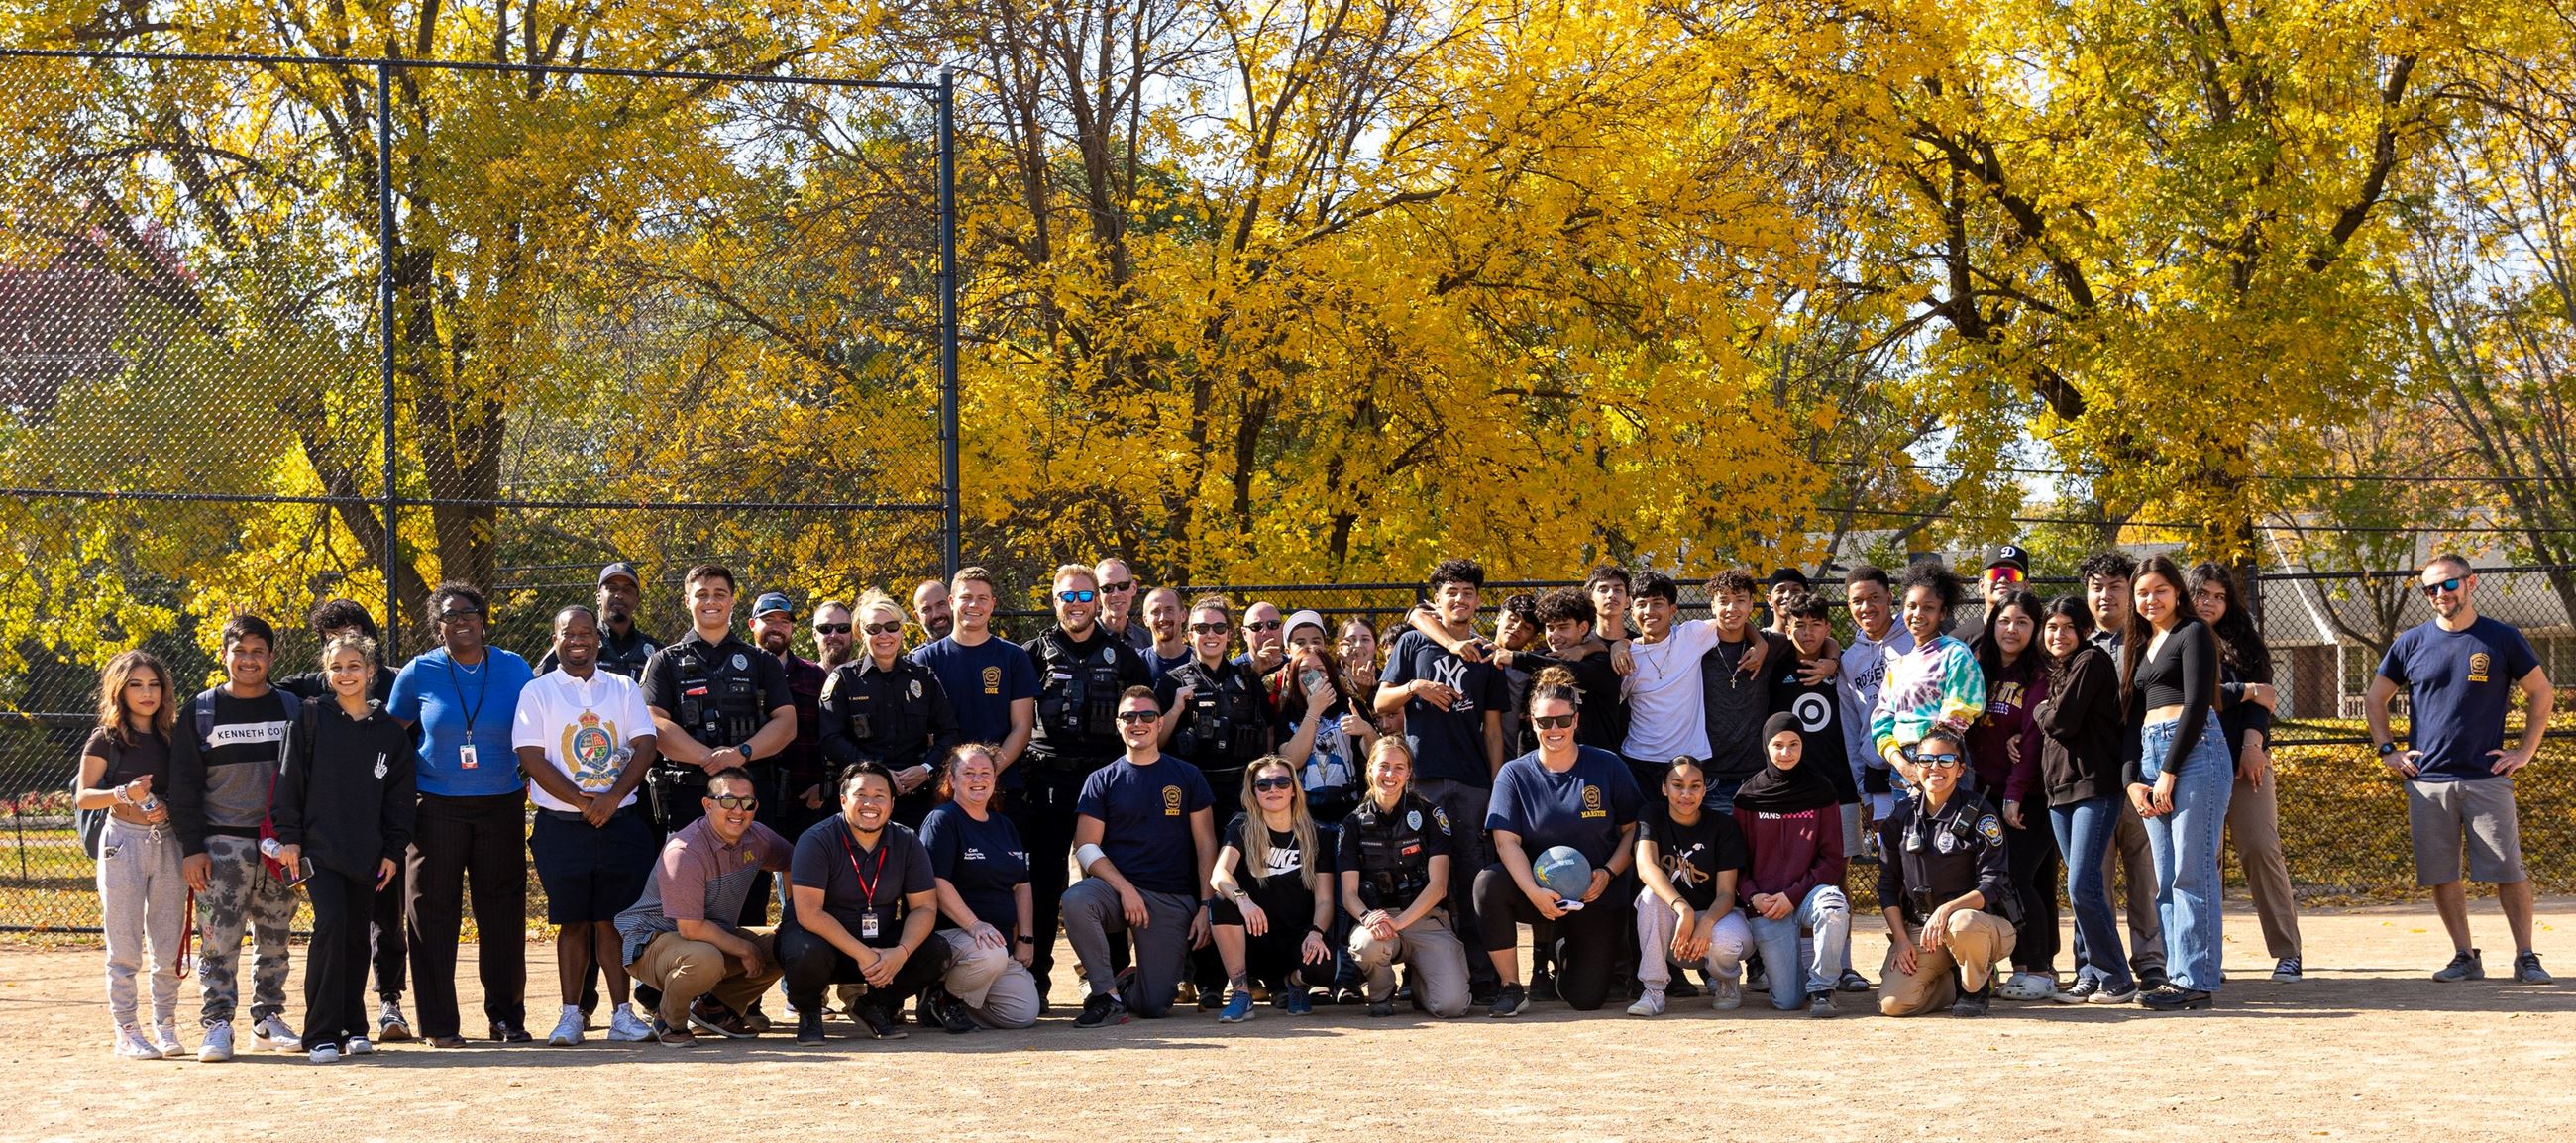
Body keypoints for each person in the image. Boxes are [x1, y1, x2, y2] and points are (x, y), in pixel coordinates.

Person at [2367, 554, 2555, 986]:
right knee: (2442, 873)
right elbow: (2376, 698)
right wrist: (2389, 751)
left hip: (2486, 778)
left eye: (2448, 585)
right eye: (2430, 588)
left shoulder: (2502, 638)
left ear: (2471, 584)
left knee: (2508, 870)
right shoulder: (2410, 643)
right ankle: (2464, 956)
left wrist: (2525, 751)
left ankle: (2526, 956)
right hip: (2427, 781)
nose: (2439, 595)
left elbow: (2541, 693)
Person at [387, 582, 538, 1046]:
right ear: (438, 627)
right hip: (435, 807)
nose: (462, 620)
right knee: (431, 913)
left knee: (503, 913)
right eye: (450, 615)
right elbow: (393, 735)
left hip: (502, 802)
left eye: (469, 612)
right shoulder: (418, 672)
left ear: (484, 618)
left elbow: (539, 728)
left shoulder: (515, 668)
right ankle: (439, 1024)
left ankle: (506, 1018)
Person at [510, 606, 663, 1046]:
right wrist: (581, 801)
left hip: (621, 823)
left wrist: (612, 798)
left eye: (585, 633)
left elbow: (646, 744)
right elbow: (531, 756)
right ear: (554, 640)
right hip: (561, 825)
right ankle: (570, 1016)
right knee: (572, 921)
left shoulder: (622, 686)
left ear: (597, 640)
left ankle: (622, 1015)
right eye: (567, 633)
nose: (577, 639)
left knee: (613, 921)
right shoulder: (537, 692)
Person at [269, 632, 415, 1063]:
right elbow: (287, 784)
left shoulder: (389, 732)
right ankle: (321, 1033)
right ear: (326, 672)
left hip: (368, 853)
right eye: (336, 667)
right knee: (331, 927)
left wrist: (392, 850)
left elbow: (400, 802)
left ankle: (355, 1025)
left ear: (370, 672)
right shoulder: (310, 719)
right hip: (318, 850)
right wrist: (290, 838)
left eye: (354, 666)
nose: (345, 674)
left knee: (356, 936)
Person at [165, 615, 302, 1060]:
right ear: (223, 655)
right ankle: (217, 1022)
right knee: (218, 938)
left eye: (257, 651)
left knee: (276, 934)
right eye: (239, 651)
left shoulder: (291, 709)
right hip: (222, 845)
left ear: (271, 657)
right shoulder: (201, 711)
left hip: (279, 846)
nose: (248, 660)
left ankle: (267, 1018)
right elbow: (182, 788)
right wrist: (192, 849)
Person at [1376, 558, 1512, 1001]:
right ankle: (1420, 977)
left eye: (1468, 593)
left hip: (1472, 782)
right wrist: (1416, 687)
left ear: (1478, 600)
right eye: (1451, 592)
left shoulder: (1488, 655)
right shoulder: (1414, 643)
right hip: (1424, 781)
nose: (1460, 599)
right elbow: (1381, 701)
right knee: (1422, 878)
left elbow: (1493, 729)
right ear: (1437, 599)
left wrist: (1496, 788)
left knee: (1474, 880)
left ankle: (1483, 976)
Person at [1020, 564, 1156, 1001]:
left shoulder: (1125, 656)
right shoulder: (1033, 654)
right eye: (1067, 596)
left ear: (1097, 600)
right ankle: (1037, 979)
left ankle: (1114, 976)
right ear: (1054, 600)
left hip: (1105, 779)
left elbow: (1142, 718)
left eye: (1084, 596)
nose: (1075, 604)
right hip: (1048, 778)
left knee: (1108, 874)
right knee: (1045, 880)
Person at [1474, 670, 1643, 1015]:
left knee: (1587, 999)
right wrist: (1533, 892)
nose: (1554, 729)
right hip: (1535, 892)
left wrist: (1608, 873)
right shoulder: (1514, 774)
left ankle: (1563, 947)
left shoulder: (1607, 765)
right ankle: (1510, 986)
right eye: (1544, 721)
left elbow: (1632, 830)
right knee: (1488, 883)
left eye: (1563, 720)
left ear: (1576, 719)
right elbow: (1506, 843)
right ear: (1531, 722)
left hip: (1594, 893)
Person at [640, 565, 796, 932]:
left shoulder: (761, 662)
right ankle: (691, 981)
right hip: (687, 798)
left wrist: (739, 754)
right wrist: (707, 758)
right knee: (687, 902)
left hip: (750, 798)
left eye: (719, 594)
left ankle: (743, 988)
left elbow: (786, 724)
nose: (711, 602)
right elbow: (654, 722)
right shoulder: (665, 661)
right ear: (687, 601)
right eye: (702, 594)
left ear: (732, 601)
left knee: (749, 902)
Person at [1061, 687, 1219, 1027]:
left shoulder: (1186, 776)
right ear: (1118, 725)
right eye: (1129, 716)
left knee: (1154, 1004)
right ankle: (1106, 995)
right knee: (1075, 900)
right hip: (1117, 894)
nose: (1138, 723)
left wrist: (1206, 906)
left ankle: (1127, 984)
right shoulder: (1101, 780)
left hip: (1170, 897)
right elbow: (1087, 848)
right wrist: (1124, 888)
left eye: (1147, 716)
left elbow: (1207, 845)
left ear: (1160, 723)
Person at [2120, 555, 2231, 1011]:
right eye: (2142, 593)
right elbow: (2130, 718)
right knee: (2164, 878)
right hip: (2150, 754)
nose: (2150, 599)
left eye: (2159, 590)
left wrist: (2168, 771)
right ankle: (2174, 974)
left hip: (2195, 752)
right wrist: (2133, 780)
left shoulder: (2193, 633)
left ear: (2177, 592)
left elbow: (2195, 703)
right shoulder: (2140, 644)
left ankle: (2196, 980)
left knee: (2191, 870)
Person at [613, 767, 794, 1047]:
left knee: (791, 943)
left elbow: (795, 863)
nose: (739, 810)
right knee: (705, 958)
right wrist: (745, 948)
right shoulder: (684, 850)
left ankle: (715, 1009)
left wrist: (792, 915)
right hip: (651, 942)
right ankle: (668, 1019)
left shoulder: (758, 837)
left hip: (707, 937)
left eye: (748, 803)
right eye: (728, 800)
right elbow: (690, 927)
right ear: (708, 805)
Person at [2183, 563, 2303, 983]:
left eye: (2219, 596)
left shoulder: (2245, 643)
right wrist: (2243, 692)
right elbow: (2192, 699)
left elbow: (2263, 701)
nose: (2210, 603)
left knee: (2259, 849)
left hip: (2243, 762)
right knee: (2203, 860)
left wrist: (2253, 745)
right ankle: (2206, 956)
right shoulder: (2175, 638)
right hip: (2192, 764)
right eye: (2202, 594)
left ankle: (2288, 951)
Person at [780, 762, 957, 1042]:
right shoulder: (816, 840)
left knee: (936, 951)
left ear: (891, 803)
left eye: (879, 796)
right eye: (860, 794)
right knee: (804, 949)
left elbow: (924, 907)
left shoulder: (907, 841)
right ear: (843, 800)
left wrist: (900, 952)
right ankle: (809, 1012)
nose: (870, 803)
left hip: (878, 944)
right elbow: (809, 913)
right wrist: (864, 955)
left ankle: (874, 1007)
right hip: (824, 945)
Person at [78, 650, 186, 1059]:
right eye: (136, 685)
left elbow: (188, 790)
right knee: (124, 945)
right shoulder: (106, 738)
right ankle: (127, 1030)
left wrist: (168, 806)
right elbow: (84, 797)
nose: (146, 693)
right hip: (121, 842)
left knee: (167, 943)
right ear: (120, 690)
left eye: (154, 684)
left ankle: (166, 1026)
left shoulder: (173, 737)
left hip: (168, 843)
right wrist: (124, 793)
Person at [2029, 596, 2138, 1003]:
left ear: (2085, 631)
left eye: (2067, 627)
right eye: (2051, 627)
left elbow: (2060, 721)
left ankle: (2118, 978)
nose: (2058, 635)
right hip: (2060, 792)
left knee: (2083, 885)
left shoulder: (2091, 662)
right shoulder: (2060, 671)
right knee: (2081, 887)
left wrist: (2042, 710)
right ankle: (2089, 974)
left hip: (2095, 787)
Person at [1876, 729, 2015, 1016]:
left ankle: (1975, 989)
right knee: (1894, 1004)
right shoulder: (1901, 816)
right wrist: (1901, 940)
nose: (1935, 767)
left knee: (1961, 922)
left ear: (1960, 769)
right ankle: (1953, 981)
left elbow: (1994, 884)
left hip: (1978, 926)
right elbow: (1887, 885)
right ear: (1915, 767)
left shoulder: (1980, 814)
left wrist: (1947, 910)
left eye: (1946, 759)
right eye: (1926, 759)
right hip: (1923, 929)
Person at [2079, 549, 2169, 990]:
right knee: (2091, 876)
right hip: (2092, 781)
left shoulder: (2150, 642)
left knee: (2145, 872)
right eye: (2098, 587)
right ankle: (2096, 966)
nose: (2107, 596)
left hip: (2144, 775)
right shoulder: (2073, 644)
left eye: (2117, 587)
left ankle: (2151, 959)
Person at [1339, 738, 1473, 1018]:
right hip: (1377, 918)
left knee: (1451, 1006)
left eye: (1399, 767)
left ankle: (1423, 987)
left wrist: (1399, 923)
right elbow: (1349, 894)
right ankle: (1381, 993)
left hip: (1424, 916)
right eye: (1384, 766)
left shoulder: (1429, 815)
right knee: (1367, 944)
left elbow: (1437, 886)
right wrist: (1369, 919)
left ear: (1409, 773)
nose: (1391, 775)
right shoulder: (1352, 824)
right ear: (1370, 768)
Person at [1969, 590, 2060, 1002]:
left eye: (2023, 622)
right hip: (1986, 792)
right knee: (2015, 882)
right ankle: (2021, 967)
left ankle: (2038, 968)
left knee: (2021, 879)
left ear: (2035, 629)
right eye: (2006, 620)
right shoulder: (1978, 668)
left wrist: (2014, 794)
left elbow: (2032, 741)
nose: (2012, 629)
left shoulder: (2039, 674)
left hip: (2028, 797)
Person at [1733, 713, 1851, 1016]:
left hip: (1807, 896)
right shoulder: (1748, 796)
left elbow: (1832, 859)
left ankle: (1824, 988)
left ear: (1803, 745)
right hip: (1767, 904)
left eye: (1794, 744)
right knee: (1788, 1001)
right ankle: (1797, 972)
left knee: (1834, 906)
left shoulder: (1821, 791)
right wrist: (1753, 897)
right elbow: (1736, 864)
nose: (1786, 753)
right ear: (1766, 747)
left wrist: (1793, 896)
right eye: (1779, 745)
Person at [919, 744, 1042, 1030]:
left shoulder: (1004, 825)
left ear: (995, 779)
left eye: (985, 772)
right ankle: (945, 999)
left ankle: (944, 1006)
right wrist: (974, 926)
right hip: (953, 936)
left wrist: (1025, 937)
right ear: (951, 780)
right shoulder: (943, 820)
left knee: (1023, 1013)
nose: (978, 779)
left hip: (996, 945)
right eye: (969, 772)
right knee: (990, 955)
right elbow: (936, 882)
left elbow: (1022, 885)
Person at [1209, 756, 1337, 1021]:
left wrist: (1315, 933)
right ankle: (1241, 993)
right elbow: (1219, 874)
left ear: (1293, 789)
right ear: (1254, 792)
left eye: (1281, 782)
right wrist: (1242, 898)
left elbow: (1324, 900)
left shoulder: (1317, 834)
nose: (1273, 790)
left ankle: (1295, 982)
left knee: (1323, 968)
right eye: (1263, 785)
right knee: (1222, 901)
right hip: (1257, 936)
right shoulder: (1242, 827)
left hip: (1297, 938)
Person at [819, 590, 960, 830]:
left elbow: (950, 733)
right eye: (874, 629)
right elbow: (831, 739)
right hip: (863, 799)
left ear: (901, 630)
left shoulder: (923, 678)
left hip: (916, 796)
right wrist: (877, 773)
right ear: (861, 633)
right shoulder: (843, 679)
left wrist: (926, 769)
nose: (883, 635)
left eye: (891, 626)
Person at [1627, 756, 1752, 1016]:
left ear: (1705, 790)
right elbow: (1645, 867)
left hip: (1716, 918)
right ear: (1664, 788)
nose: (1686, 794)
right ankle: (1653, 991)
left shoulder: (1723, 826)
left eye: (1695, 786)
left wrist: (1705, 924)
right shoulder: (1651, 815)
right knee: (1649, 897)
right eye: (1677, 785)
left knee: (1725, 940)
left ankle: (1726, 980)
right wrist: (1682, 908)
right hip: (1676, 927)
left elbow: (1727, 894)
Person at [1870, 561, 1985, 803]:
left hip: (1943, 763)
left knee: (1946, 839)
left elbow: (1961, 708)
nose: (1918, 614)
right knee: (1906, 839)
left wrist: (1929, 761)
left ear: (1943, 613)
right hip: (1901, 769)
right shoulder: (1897, 666)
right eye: (1911, 606)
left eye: (1928, 607)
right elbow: (1881, 720)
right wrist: (1901, 763)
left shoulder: (1955, 653)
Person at [1159, 594, 1277, 819]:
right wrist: (1175, 710)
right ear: (1189, 635)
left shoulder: (1248, 680)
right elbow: (1156, 741)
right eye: (1202, 628)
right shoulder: (1172, 682)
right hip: (1191, 788)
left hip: (1241, 790)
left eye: (1219, 627)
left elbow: (1269, 731)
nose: (1210, 634)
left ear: (1229, 635)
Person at [1617, 571, 1731, 801]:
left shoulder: (1692, 635)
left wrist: (1759, 644)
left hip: (1687, 759)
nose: (1649, 612)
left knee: (1686, 829)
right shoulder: (1625, 656)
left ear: (1673, 610)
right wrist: (1618, 645)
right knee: (1645, 828)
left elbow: (1732, 619)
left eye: (1657, 603)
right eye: (1641, 605)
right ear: (1631, 611)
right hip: (1639, 759)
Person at [752, 591, 830, 896]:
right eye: (768, 620)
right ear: (752, 625)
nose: (777, 627)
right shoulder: (742, 670)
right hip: (754, 795)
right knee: (752, 884)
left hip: (803, 796)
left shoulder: (814, 675)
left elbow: (829, 736)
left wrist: (824, 786)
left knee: (803, 885)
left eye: (784, 621)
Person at [1837, 565, 1914, 832]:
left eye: (1874, 598)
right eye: (1857, 601)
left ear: (1890, 598)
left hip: (1921, 764)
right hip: (1878, 774)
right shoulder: (1849, 660)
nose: (1866, 607)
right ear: (1848, 605)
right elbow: (1851, 729)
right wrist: (1865, 794)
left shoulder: (1917, 640)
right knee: (1890, 862)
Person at [535, 563, 662, 679]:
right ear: (598, 598)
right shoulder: (573, 645)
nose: (619, 595)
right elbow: (539, 680)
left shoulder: (654, 651)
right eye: (612, 589)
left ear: (637, 601)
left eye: (627, 590)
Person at [1096, 557, 1153, 654]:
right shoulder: (1082, 638)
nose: (1116, 594)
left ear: (1134, 588)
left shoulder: (1148, 643)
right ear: (1096, 594)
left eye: (1123, 586)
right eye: (1107, 588)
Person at [1140, 587, 1193, 678]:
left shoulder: (1201, 661)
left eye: (1169, 610)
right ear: (1145, 620)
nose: (1163, 618)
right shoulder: (1137, 664)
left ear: (1183, 615)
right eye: (1155, 612)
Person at [1236, 601, 1290, 676]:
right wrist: (1255, 671)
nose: (1265, 632)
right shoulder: (1232, 670)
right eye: (1256, 626)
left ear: (1282, 629)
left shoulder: (1296, 668)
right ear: (1245, 634)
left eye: (1273, 625)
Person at [811, 599, 859, 671]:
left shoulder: (869, 679)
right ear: (815, 634)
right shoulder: (804, 678)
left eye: (842, 627)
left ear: (852, 633)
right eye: (826, 628)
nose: (834, 635)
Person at [911, 579, 954, 644]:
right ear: (918, 617)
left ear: (953, 603)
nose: (936, 615)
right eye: (926, 610)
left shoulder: (974, 649)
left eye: (941, 605)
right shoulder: (919, 654)